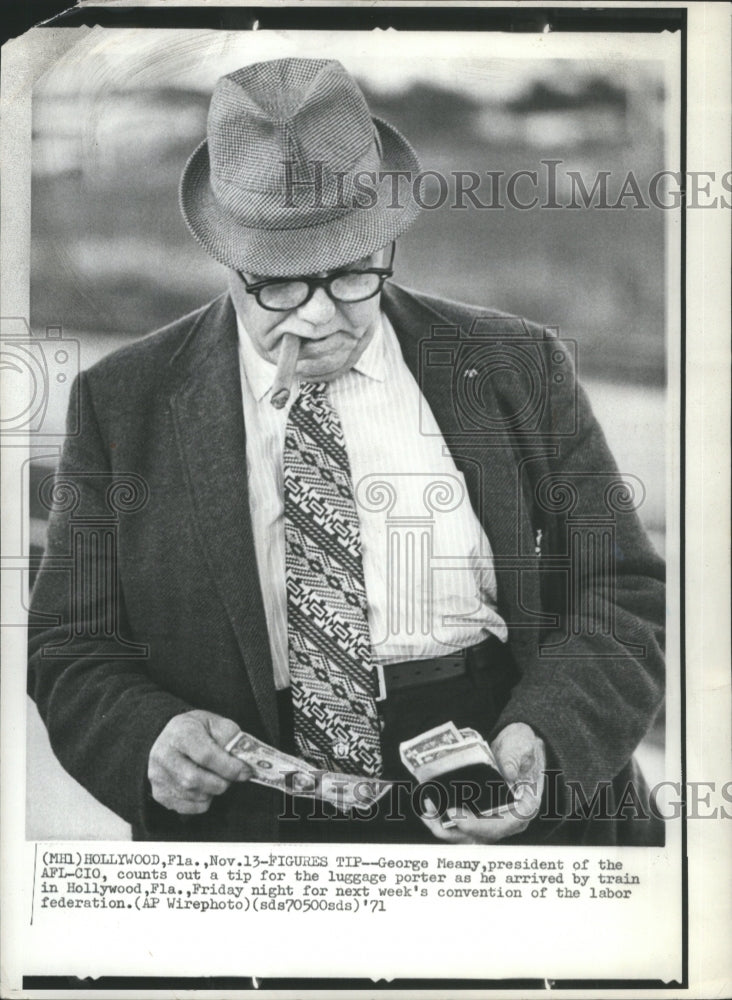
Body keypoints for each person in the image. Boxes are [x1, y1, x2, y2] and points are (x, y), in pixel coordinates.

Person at [28, 57, 665, 844]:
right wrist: (147, 734)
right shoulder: (121, 402)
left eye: (353, 275)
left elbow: (621, 587)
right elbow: (73, 646)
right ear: (229, 260)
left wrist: (551, 738)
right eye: (283, 286)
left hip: (510, 786)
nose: (322, 318)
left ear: (387, 239)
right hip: (261, 821)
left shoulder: (515, 365)